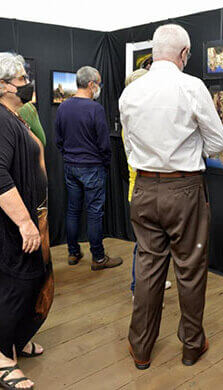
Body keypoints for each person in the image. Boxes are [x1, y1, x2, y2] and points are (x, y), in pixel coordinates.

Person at [120, 24, 223, 370]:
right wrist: (190, 148)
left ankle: (141, 349)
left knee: (149, 268)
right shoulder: (191, 86)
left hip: (145, 188)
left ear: (154, 51)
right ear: (183, 54)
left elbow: (130, 144)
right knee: (190, 269)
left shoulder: (131, 93)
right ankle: (192, 345)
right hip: (185, 189)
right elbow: (218, 143)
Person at [0, 52, 54, 390]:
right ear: (3, 85)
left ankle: (16, 339)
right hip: (12, 225)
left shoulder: (15, 116)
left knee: (32, 282)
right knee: (15, 287)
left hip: (30, 217)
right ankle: (3, 357)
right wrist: (24, 222)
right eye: (21, 79)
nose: (26, 83)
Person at [55, 66, 123, 271]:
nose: (99, 87)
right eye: (99, 83)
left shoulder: (63, 107)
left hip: (70, 166)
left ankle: (73, 253)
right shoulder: (95, 109)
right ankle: (99, 258)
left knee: (73, 211)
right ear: (92, 84)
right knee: (94, 214)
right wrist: (105, 162)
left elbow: (58, 140)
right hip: (92, 167)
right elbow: (104, 144)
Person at [121, 69, 172, 301]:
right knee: (146, 246)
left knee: (151, 245)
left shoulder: (130, 118)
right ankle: (138, 289)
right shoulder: (142, 121)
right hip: (145, 188)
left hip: (141, 189)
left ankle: (150, 283)